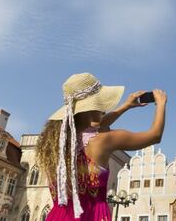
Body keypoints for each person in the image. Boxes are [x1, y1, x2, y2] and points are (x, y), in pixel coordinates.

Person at [36, 72, 167, 221]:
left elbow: (94, 125)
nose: (104, 109)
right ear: (92, 107)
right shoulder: (105, 140)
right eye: (100, 103)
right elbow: (155, 135)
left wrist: (125, 106)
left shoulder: (54, 143)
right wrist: (161, 103)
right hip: (92, 216)